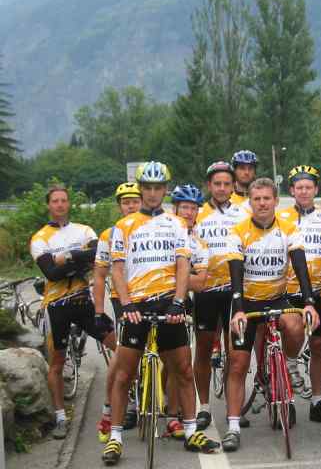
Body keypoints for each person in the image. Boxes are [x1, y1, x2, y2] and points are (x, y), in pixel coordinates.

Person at [102, 162, 219, 466]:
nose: (153, 194)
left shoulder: (176, 224)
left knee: (183, 369)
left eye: (158, 188)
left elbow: (182, 264)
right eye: (148, 188)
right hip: (136, 305)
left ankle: (191, 429)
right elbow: (116, 269)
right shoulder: (123, 226)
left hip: (168, 303)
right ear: (141, 189)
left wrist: (179, 301)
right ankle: (115, 438)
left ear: (165, 189)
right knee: (124, 374)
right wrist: (126, 305)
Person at [222, 178, 320, 452]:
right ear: (250, 202)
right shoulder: (239, 231)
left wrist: (309, 302)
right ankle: (232, 426)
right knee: (239, 363)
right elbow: (235, 274)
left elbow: (301, 267)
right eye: (257, 199)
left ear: (276, 201)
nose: (262, 203)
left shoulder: (289, 228)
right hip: (248, 301)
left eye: (267, 199)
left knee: (295, 324)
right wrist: (239, 309)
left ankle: (287, 364)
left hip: (278, 297)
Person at [31, 185, 116, 440]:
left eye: (63, 200)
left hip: (83, 302)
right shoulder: (40, 238)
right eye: (55, 201)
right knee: (56, 363)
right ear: (49, 205)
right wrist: (78, 262)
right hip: (56, 306)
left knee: (119, 347)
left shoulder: (84, 230)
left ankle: (122, 401)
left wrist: (66, 257)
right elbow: (51, 273)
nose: (59, 204)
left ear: (69, 204)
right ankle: (60, 417)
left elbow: (97, 255)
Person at [278, 165, 321, 424]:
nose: (303, 191)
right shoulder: (281, 218)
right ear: (291, 190)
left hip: (319, 290)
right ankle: (285, 397)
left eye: (308, 187)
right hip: (289, 290)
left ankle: (317, 400)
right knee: (291, 340)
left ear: (316, 189)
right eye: (299, 187)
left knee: (318, 347)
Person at [192, 161, 249, 430]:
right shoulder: (197, 214)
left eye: (227, 183)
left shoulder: (243, 213)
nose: (223, 188)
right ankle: (203, 406)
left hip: (235, 291)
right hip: (205, 292)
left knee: (235, 353)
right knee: (203, 349)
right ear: (209, 186)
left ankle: (233, 408)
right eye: (218, 184)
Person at [94, 182, 142, 442]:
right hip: (120, 299)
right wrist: (99, 312)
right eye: (126, 202)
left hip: (150, 295)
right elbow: (100, 276)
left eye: (135, 200)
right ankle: (114, 407)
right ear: (119, 206)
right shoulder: (108, 235)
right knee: (124, 353)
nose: (131, 205)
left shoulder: (151, 227)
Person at [162, 184, 209, 439]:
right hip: (151, 301)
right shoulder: (161, 233)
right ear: (175, 208)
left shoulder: (199, 243)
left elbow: (200, 283)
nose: (189, 212)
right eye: (184, 207)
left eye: (193, 208)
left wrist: (171, 278)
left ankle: (173, 413)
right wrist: (182, 275)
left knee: (176, 363)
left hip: (182, 304)